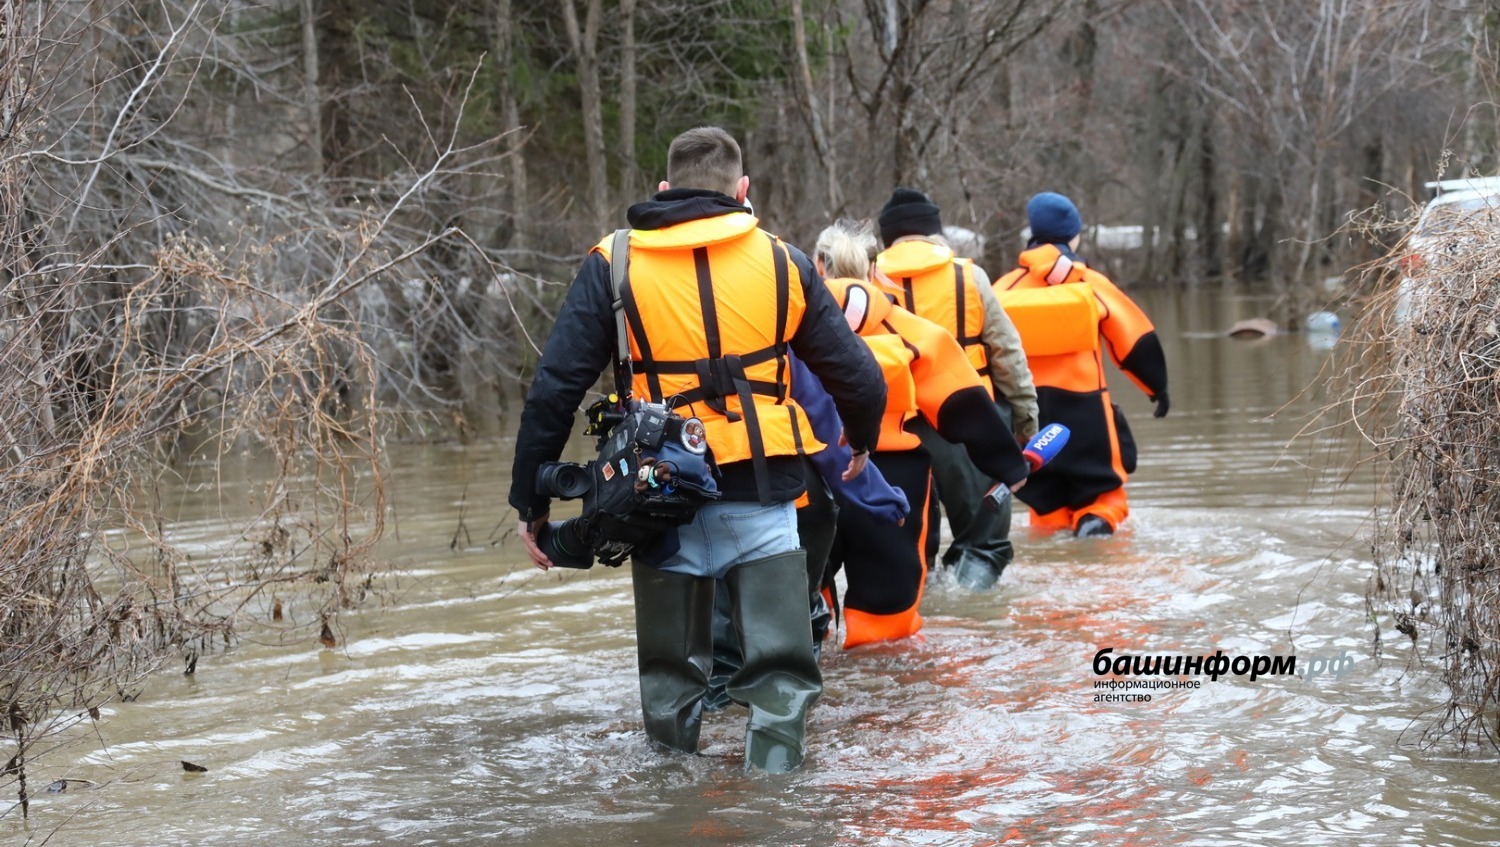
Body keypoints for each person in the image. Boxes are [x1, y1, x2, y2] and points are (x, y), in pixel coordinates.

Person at [509, 127, 885, 773]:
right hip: (761, 492)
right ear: (742, 191)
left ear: (664, 188)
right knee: (780, 676)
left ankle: (670, 804)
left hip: (655, 497)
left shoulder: (614, 260)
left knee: (671, 677)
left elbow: (554, 390)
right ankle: (776, 805)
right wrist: (861, 441)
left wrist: (530, 498)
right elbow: (859, 376)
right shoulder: (784, 261)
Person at [816, 219, 1029, 647]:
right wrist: (1010, 464)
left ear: (818, 267)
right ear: (875, 270)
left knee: (805, 613)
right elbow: (964, 402)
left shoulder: (785, 325)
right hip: (894, 484)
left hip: (811, 480)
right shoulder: (911, 330)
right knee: (885, 631)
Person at [873, 189, 1038, 590]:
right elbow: (1007, 355)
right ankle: (973, 610)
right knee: (983, 544)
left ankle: (919, 613)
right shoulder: (969, 276)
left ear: (887, 238)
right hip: (968, 428)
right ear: (936, 231)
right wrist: (1026, 418)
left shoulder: (864, 282)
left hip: (896, 434)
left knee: (909, 548)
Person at [993, 191, 1169, 537]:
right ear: (1073, 235)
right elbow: (1134, 340)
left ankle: (1055, 529)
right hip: (1087, 414)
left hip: (1029, 418)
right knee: (1103, 496)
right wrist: (1157, 388)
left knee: (1046, 504)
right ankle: (1096, 521)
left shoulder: (1002, 289)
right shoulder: (1089, 282)